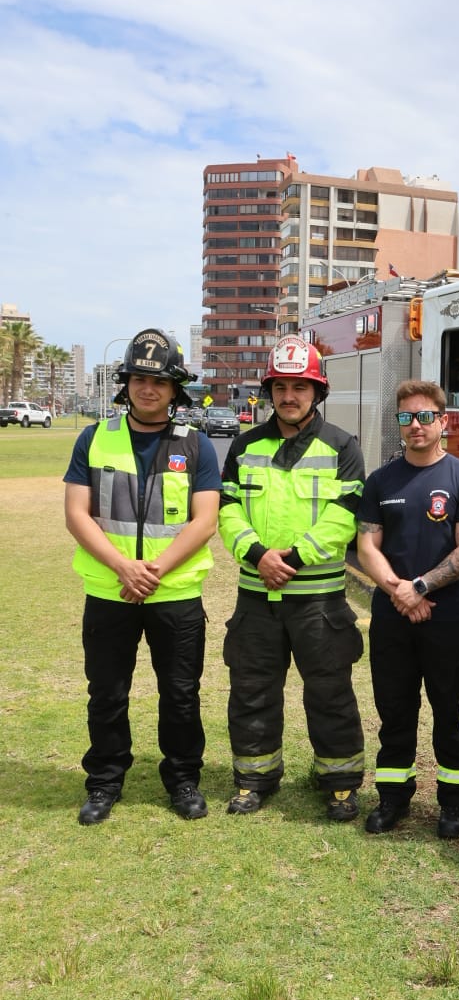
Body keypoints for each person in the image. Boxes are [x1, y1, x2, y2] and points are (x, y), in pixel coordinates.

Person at [64, 328, 221, 825]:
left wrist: (154, 570)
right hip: (110, 591)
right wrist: (124, 567)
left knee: (181, 694)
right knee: (107, 693)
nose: (147, 388)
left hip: (174, 593)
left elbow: (205, 521)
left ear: (175, 389)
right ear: (125, 384)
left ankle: (183, 779)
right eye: (138, 378)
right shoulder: (94, 438)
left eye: (159, 380)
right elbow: (77, 514)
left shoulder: (196, 446)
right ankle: (104, 782)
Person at [219, 335, 365, 820]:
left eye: (300, 386)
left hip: (319, 601)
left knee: (330, 692)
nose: (289, 396)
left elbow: (345, 516)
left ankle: (339, 783)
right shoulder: (244, 446)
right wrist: (258, 555)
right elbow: (227, 510)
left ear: (317, 392)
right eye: (280, 386)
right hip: (256, 597)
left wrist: (294, 559)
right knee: (252, 690)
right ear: (269, 391)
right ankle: (254, 779)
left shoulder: (342, 446)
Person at [356, 381, 459, 838]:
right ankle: (393, 797)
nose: (416, 425)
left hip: (445, 615)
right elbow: (367, 546)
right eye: (406, 417)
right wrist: (400, 591)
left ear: (443, 421)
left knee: (449, 710)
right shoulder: (381, 480)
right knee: (394, 709)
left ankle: (454, 802)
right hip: (392, 613)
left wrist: (421, 587)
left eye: (425, 416)